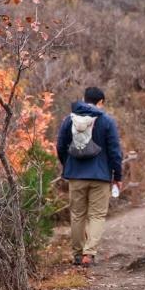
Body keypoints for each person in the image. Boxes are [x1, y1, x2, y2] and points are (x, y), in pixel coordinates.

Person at [56, 86, 124, 268]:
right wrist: (117, 175)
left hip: (76, 176)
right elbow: (115, 151)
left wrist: (68, 165)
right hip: (100, 176)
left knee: (77, 215)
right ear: (100, 102)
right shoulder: (106, 121)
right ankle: (89, 253)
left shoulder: (68, 120)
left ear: (84, 98)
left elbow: (60, 146)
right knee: (97, 216)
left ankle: (77, 254)